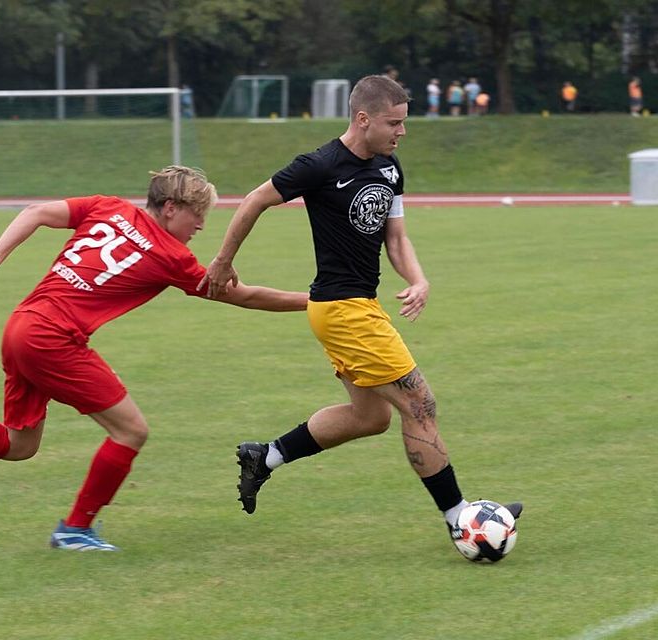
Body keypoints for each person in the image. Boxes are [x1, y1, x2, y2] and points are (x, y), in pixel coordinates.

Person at [0, 166, 308, 552]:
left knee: (19, 445)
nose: (201, 225)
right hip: (52, 339)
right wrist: (315, 300)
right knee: (131, 430)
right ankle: (75, 530)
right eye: (198, 214)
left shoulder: (108, 207)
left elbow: (37, 211)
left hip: (21, 326)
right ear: (172, 207)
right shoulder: (172, 257)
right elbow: (241, 296)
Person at [199, 75, 522, 555]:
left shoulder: (390, 169)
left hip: (358, 306)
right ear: (363, 118)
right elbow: (254, 200)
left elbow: (396, 238)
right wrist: (223, 262)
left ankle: (264, 457)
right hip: (341, 309)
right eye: (394, 123)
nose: (402, 132)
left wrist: (419, 278)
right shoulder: (319, 165)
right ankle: (460, 520)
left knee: (370, 417)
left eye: (404, 122)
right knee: (421, 405)